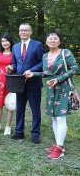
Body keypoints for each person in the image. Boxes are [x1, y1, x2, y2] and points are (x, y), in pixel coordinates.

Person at [25, 30, 79, 159]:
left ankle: (59, 148)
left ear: (59, 41)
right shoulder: (45, 56)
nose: (52, 40)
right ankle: (58, 144)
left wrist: (59, 79)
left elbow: (75, 68)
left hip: (64, 89)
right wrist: (34, 74)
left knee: (61, 118)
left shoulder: (65, 53)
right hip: (50, 90)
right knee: (54, 117)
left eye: (55, 38)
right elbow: (46, 74)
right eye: (50, 38)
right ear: (46, 41)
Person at [6, 23, 45, 144]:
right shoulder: (16, 47)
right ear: (19, 32)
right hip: (19, 83)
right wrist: (11, 67)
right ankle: (19, 132)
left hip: (33, 83)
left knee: (35, 110)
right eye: (21, 30)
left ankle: (35, 134)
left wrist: (31, 70)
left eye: (26, 30)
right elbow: (15, 63)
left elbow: (42, 62)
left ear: (30, 32)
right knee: (20, 108)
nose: (23, 32)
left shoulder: (37, 45)